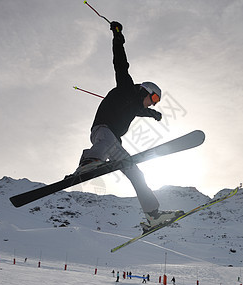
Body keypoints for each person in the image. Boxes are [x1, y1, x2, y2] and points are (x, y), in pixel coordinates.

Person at [73, 21, 183, 229]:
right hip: (102, 131)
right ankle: (88, 161)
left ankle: (153, 215)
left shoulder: (136, 106)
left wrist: (154, 114)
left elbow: (141, 110)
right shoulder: (126, 87)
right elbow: (120, 63)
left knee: (136, 174)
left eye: (156, 101)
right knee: (105, 142)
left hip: (114, 143)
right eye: (153, 98)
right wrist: (117, 36)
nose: (153, 102)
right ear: (144, 90)